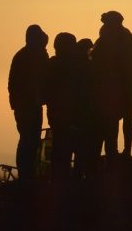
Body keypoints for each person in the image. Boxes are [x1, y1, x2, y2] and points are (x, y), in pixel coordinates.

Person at [90, 11, 132, 160]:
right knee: (116, 119)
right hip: (116, 86)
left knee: (123, 118)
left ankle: (123, 151)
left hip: (123, 84)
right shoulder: (108, 39)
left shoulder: (116, 37)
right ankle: (115, 152)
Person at [45, 32, 94, 181]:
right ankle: (74, 183)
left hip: (59, 116)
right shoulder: (80, 65)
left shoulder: (54, 64)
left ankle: (60, 182)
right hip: (76, 117)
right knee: (76, 151)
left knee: (61, 151)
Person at [8, 24, 49, 180]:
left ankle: (26, 174)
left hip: (27, 105)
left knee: (29, 140)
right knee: (28, 140)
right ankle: (26, 175)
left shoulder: (25, 55)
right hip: (27, 105)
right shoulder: (30, 56)